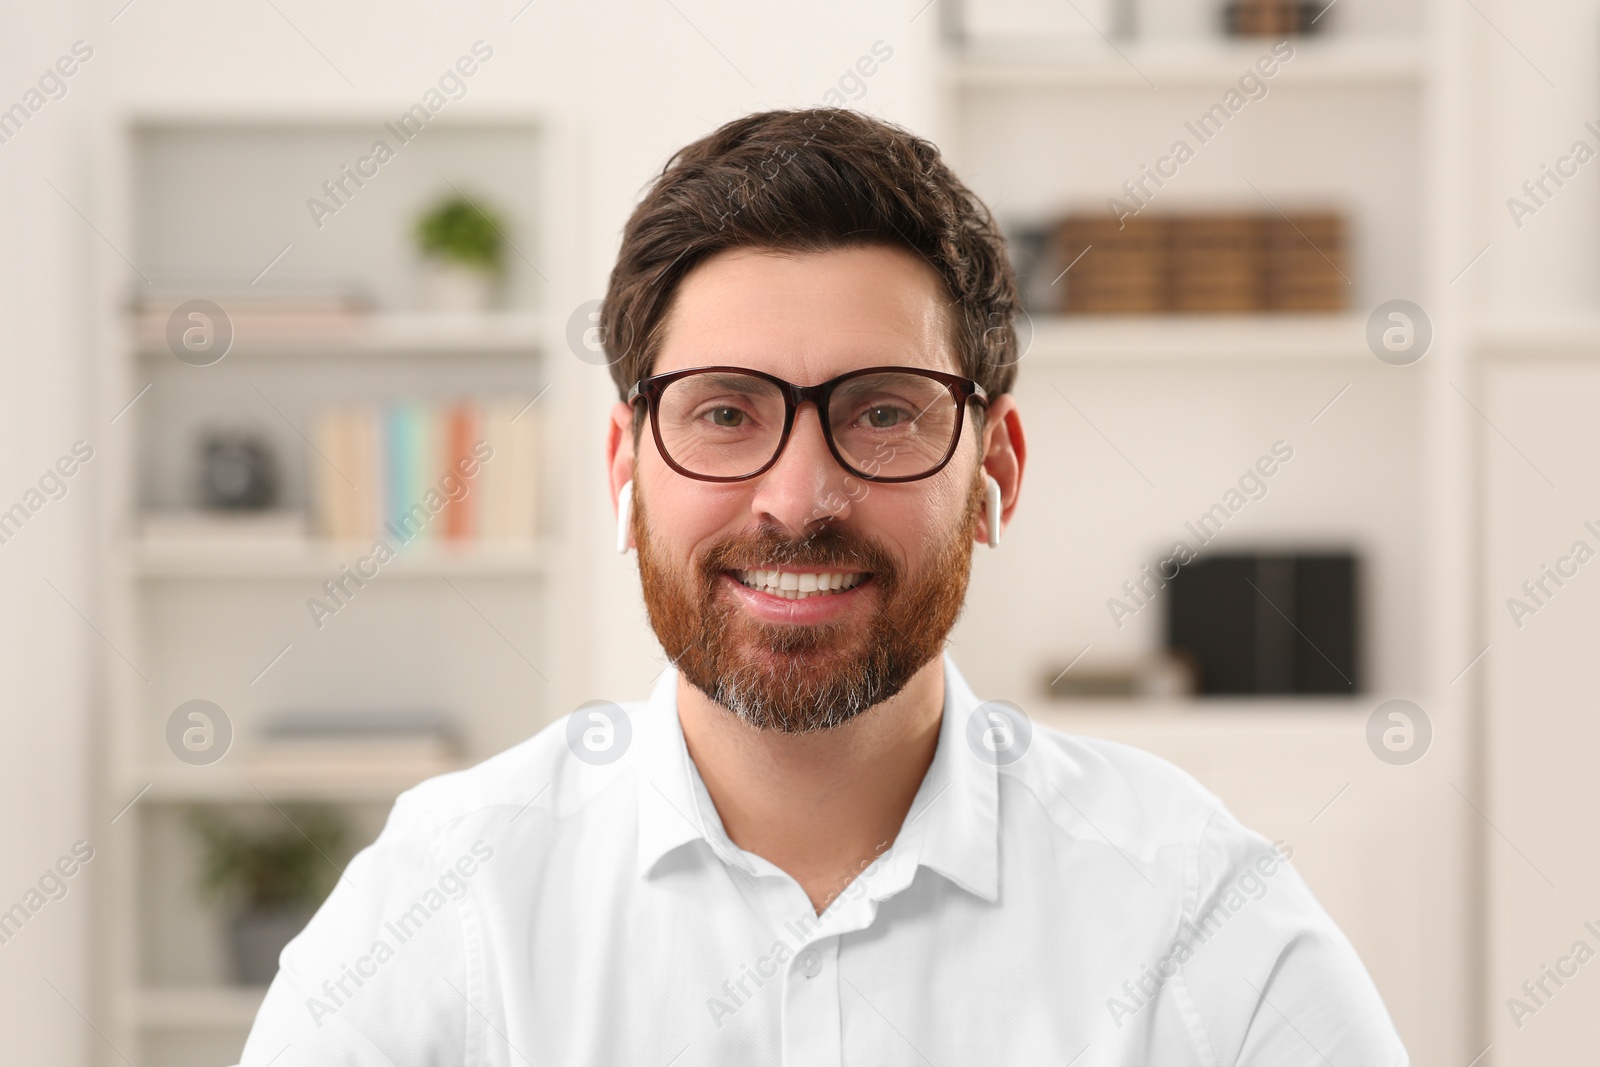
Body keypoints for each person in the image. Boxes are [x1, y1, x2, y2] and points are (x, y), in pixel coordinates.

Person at [236, 107, 1407, 1066]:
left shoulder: (1193, 908)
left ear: (993, 467)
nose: (798, 496)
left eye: (883, 411)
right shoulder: (448, 896)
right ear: (624, 467)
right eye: (725, 413)